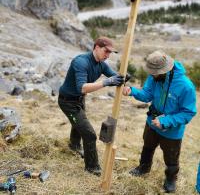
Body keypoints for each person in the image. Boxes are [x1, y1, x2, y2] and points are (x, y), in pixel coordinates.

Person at [123, 50, 196, 193]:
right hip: (151, 122)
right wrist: (132, 91)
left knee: (171, 158)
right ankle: (143, 168)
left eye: (154, 73)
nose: (151, 75)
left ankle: (170, 179)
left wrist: (166, 121)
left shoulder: (186, 86)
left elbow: (188, 112)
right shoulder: (154, 76)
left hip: (172, 131)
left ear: (165, 70)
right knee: (147, 146)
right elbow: (147, 95)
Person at [58, 36, 124, 176]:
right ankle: (92, 168)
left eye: (110, 53)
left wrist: (123, 78)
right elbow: (82, 88)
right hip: (68, 102)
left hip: (79, 99)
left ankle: (74, 146)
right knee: (89, 134)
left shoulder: (101, 63)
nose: (108, 55)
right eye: (106, 51)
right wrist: (106, 82)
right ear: (96, 47)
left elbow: (114, 76)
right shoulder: (81, 62)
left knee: (79, 123)